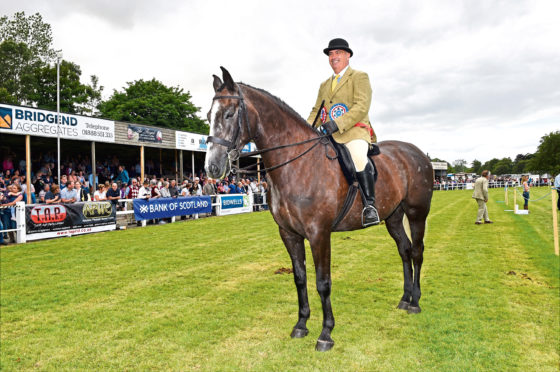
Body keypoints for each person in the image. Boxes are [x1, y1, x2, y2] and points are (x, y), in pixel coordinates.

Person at [307, 38, 379, 226]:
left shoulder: (359, 76)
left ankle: (370, 206)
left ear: (348, 55)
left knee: (357, 157)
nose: (333, 57)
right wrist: (305, 130)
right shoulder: (324, 84)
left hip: (354, 131)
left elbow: (361, 106)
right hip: (328, 134)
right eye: (331, 54)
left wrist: (337, 124)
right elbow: (316, 111)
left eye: (338, 53)